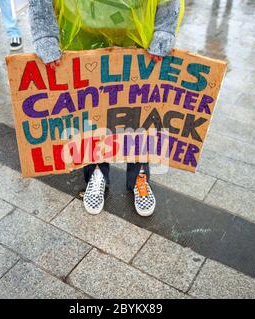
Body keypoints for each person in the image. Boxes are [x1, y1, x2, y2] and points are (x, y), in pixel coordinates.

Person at [28, 0, 182, 216]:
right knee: (92, 108)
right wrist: (45, 34)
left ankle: (139, 175)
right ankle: (96, 172)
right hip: (82, 33)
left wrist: (164, 29)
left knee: (138, 108)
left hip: (137, 35)